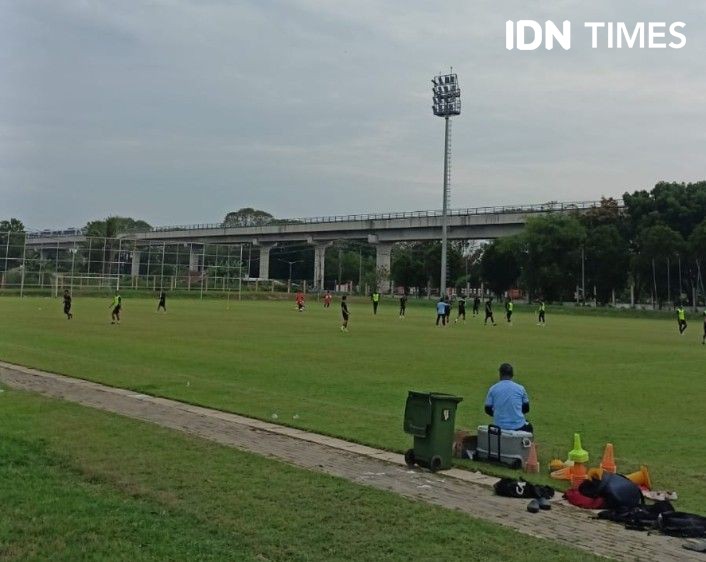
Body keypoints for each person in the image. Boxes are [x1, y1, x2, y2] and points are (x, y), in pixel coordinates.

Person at [484, 363, 533, 433]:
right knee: (529, 427)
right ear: (512, 375)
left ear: (500, 374)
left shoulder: (493, 389)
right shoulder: (520, 388)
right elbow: (526, 409)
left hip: (499, 427)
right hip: (518, 426)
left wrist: (499, 415)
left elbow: (487, 410)